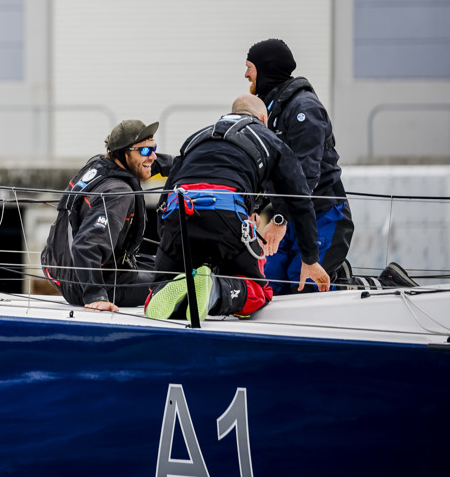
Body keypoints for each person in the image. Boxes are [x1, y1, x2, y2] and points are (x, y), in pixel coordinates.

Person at [245, 39, 418, 292]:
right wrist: (254, 207)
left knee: (304, 287)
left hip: (324, 215)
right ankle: (339, 275)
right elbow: (268, 169)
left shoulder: (304, 109)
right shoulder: (271, 111)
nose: (246, 74)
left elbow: (306, 174)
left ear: (266, 69)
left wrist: (279, 219)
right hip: (293, 216)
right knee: (269, 283)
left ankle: (384, 284)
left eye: (249, 67)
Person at [145, 95, 330, 321]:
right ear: (263, 119)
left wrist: (167, 242)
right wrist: (310, 259)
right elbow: (300, 199)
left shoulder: (196, 138)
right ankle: (214, 290)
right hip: (226, 213)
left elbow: (164, 200)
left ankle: (171, 287)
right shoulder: (269, 139)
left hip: (179, 213)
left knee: (163, 284)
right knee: (259, 291)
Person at [40, 120, 172, 312]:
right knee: (176, 281)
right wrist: (96, 296)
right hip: (85, 284)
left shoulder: (98, 164)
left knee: (164, 266)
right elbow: (86, 245)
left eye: (154, 148)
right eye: (145, 151)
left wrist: (186, 165)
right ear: (123, 153)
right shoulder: (118, 192)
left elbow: (151, 162)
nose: (152, 156)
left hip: (57, 266)